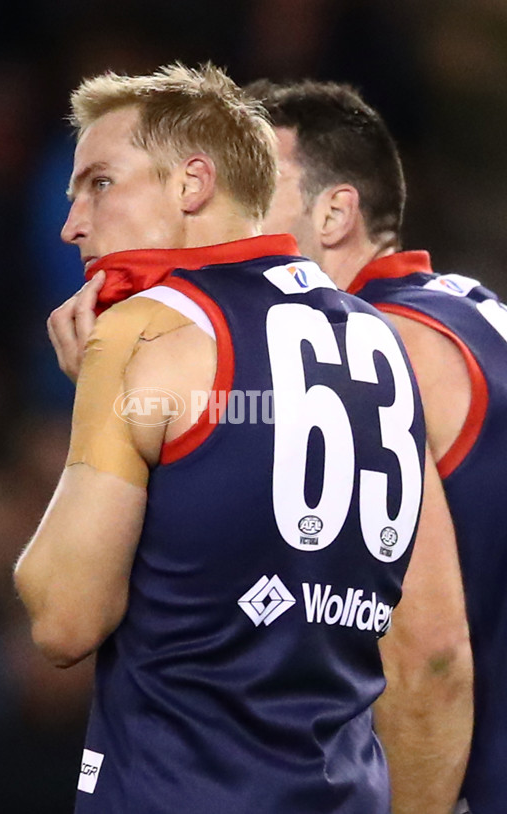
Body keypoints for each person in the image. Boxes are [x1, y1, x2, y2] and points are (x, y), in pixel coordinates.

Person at [14, 63, 431, 813]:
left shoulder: (145, 332)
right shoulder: (380, 338)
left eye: (99, 183)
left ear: (191, 184)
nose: (71, 222)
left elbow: (62, 618)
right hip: (346, 789)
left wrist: (97, 407)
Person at [251, 78, 497, 814]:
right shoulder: (470, 309)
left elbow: (429, 655)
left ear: (335, 212)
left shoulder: (370, 357)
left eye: (253, 189)